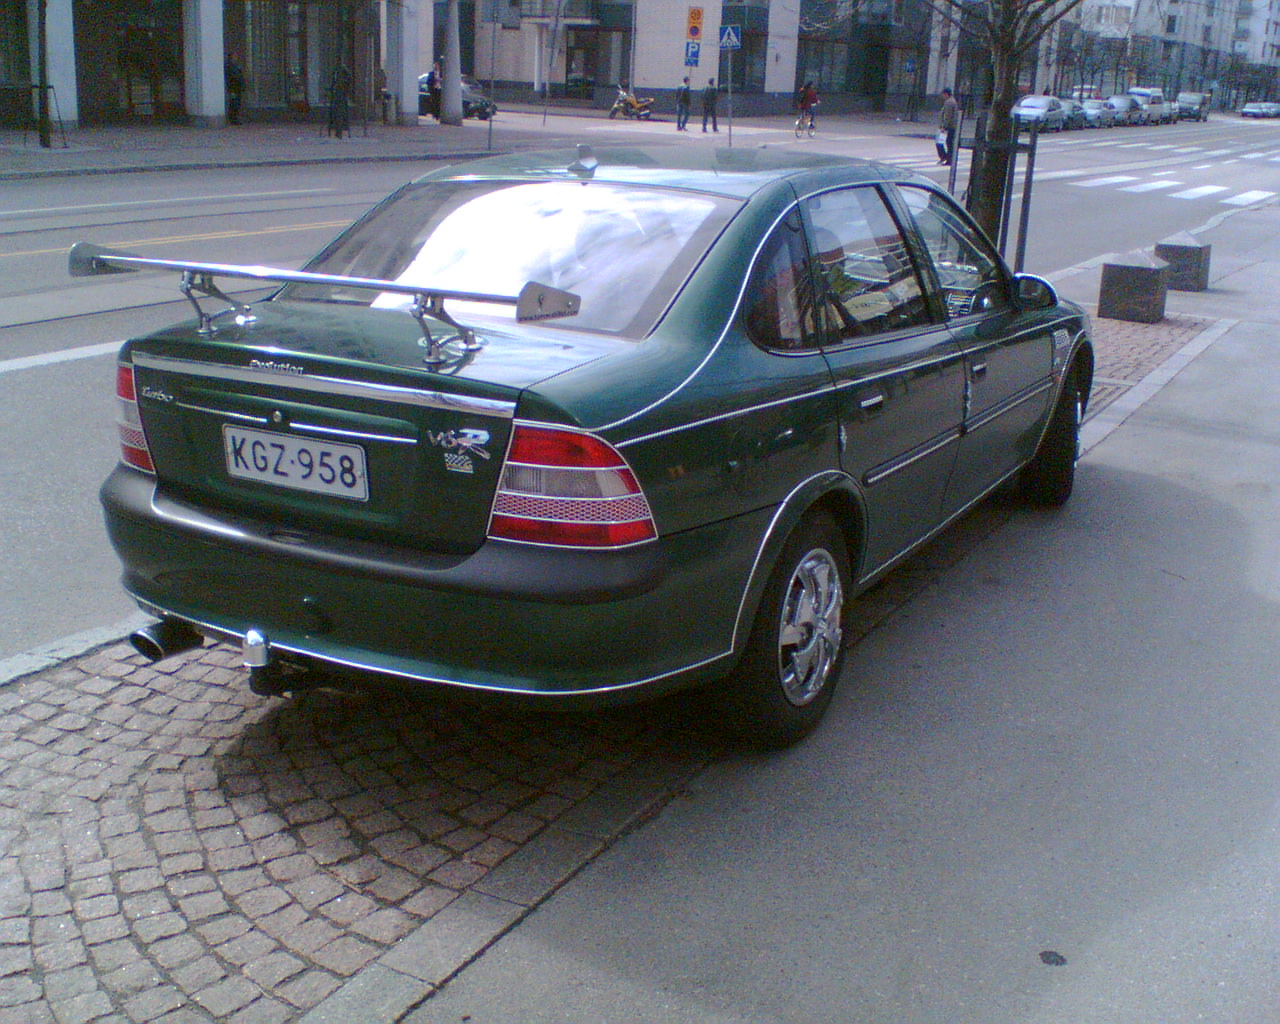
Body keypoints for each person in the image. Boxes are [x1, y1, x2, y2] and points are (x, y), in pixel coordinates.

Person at [937, 86, 958, 165]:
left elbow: (947, 116)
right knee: (949, 143)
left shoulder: (949, 102)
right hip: (950, 126)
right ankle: (948, 158)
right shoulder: (951, 101)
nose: (942, 96)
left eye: (943, 94)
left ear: (946, 94)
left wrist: (944, 127)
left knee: (941, 142)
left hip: (948, 127)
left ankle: (946, 158)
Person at [224, 54, 245, 125]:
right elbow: (236, 77)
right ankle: (233, 119)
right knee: (234, 103)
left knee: (236, 103)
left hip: (236, 88)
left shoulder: (235, 66)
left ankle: (234, 118)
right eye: (234, 57)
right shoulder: (230, 67)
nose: (236, 58)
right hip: (233, 88)